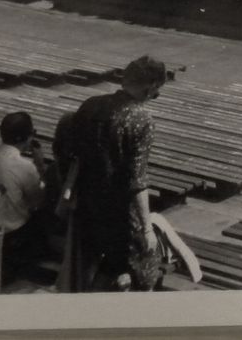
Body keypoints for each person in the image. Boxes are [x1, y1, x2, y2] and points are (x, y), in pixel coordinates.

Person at [59, 55, 168, 291]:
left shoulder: (90, 104)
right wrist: (147, 228)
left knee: (104, 265)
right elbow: (137, 180)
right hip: (120, 217)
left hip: (87, 209)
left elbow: (68, 151)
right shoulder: (142, 120)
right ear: (150, 88)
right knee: (145, 267)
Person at [0, 111, 51, 280]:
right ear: (26, 138)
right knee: (45, 210)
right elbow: (39, 201)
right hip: (14, 233)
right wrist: (40, 165)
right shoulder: (24, 166)